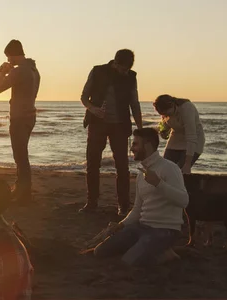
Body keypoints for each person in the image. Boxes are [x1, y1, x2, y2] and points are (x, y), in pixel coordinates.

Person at [93, 128, 188, 266]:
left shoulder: (169, 168)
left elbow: (184, 201)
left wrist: (158, 183)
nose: (132, 148)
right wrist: (121, 225)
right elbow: (138, 208)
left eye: (136, 144)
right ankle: (145, 248)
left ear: (148, 145)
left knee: (130, 262)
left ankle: (166, 253)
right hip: (141, 227)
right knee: (100, 252)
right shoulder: (141, 174)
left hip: (165, 230)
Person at [79, 49, 143, 216]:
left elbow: (134, 103)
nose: (124, 73)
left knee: (122, 166)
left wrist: (140, 128)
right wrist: (94, 109)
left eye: (127, 70)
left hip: (120, 126)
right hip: (96, 124)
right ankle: (91, 202)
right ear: (115, 63)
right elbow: (84, 97)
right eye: (122, 69)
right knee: (93, 164)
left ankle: (123, 206)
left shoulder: (131, 77)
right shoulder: (97, 71)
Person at [0, 40, 41, 202]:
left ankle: (23, 192)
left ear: (12, 55)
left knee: (20, 156)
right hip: (30, 115)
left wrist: (2, 72)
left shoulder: (19, 71)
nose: (8, 61)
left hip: (19, 117)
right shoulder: (34, 70)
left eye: (8, 57)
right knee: (22, 154)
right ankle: (21, 189)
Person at [153, 94, 205, 174]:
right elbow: (165, 125)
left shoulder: (187, 108)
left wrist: (187, 164)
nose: (165, 116)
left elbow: (191, 136)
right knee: (165, 169)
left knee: (179, 171)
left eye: (166, 113)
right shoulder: (165, 113)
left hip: (194, 141)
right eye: (163, 114)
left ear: (172, 105)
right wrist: (163, 131)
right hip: (175, 139)